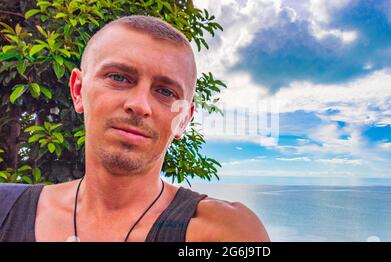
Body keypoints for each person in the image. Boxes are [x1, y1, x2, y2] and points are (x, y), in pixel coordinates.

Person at [0, 15, 270, 242]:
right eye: (118, 77)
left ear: (183, 119)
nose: (140, 105)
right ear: (78, 90)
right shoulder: (6, 209)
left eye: (165, 91)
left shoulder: (223, 233)